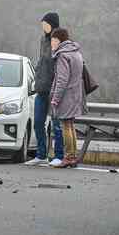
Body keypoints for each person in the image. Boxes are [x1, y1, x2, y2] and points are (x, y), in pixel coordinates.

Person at [25, 12, 60, 166]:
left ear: (52, 24)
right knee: (38, 122)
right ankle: (41, 154)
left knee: (57, 124)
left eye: (45, 23)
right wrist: (35, 80)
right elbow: (41, 61)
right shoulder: (42, 39)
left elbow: (59, 63)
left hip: (54, 88)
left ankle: (59, 155)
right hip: (41, 87)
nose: (43, 26)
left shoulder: (59, 40)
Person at [49, 27, 84, 168]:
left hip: (66, 95)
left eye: (52, 40)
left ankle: (68, 157)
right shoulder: (76, 53)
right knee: (70, 125)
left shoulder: (62, 55)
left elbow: (62, 80)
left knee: (65, 126)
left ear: (58, 39)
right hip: (76, 94)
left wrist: (55, 98)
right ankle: (73, 156)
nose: (51, 43)